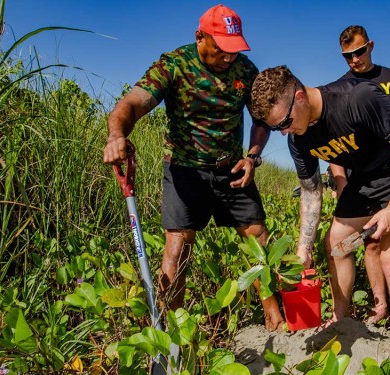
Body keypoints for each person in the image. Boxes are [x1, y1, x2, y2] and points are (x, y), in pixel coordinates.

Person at [249, 65, 390, 375]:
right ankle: (341, 318)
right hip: (368, 179)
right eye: (275, 127)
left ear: (300, 97)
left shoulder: (357, 99)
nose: (283, 132)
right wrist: (303, 247)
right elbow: (310, 191)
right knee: (336, 243)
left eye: (284, 123)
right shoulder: (299, 138)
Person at [103, 4, 284, 331]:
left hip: (231, 169)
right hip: (185, 170)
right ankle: (171, 332)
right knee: (177, 250)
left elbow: (262, 117)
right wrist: (117, 136)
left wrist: (253, 156)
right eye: (222, 49)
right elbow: (131, 105)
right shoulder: (174, 65)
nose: (229, 57)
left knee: (260, 241)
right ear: (200, 37)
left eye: (235, 49)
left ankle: (276, 320)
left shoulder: (245, 70)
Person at [334, 25, 390, 324]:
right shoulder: (340, 87)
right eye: (347, 56)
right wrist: (341, 181)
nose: (354, 60)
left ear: (370, 46)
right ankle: (380, 305)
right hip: (362, 178)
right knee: (370, 243)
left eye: (359, 52)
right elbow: (332, 142)